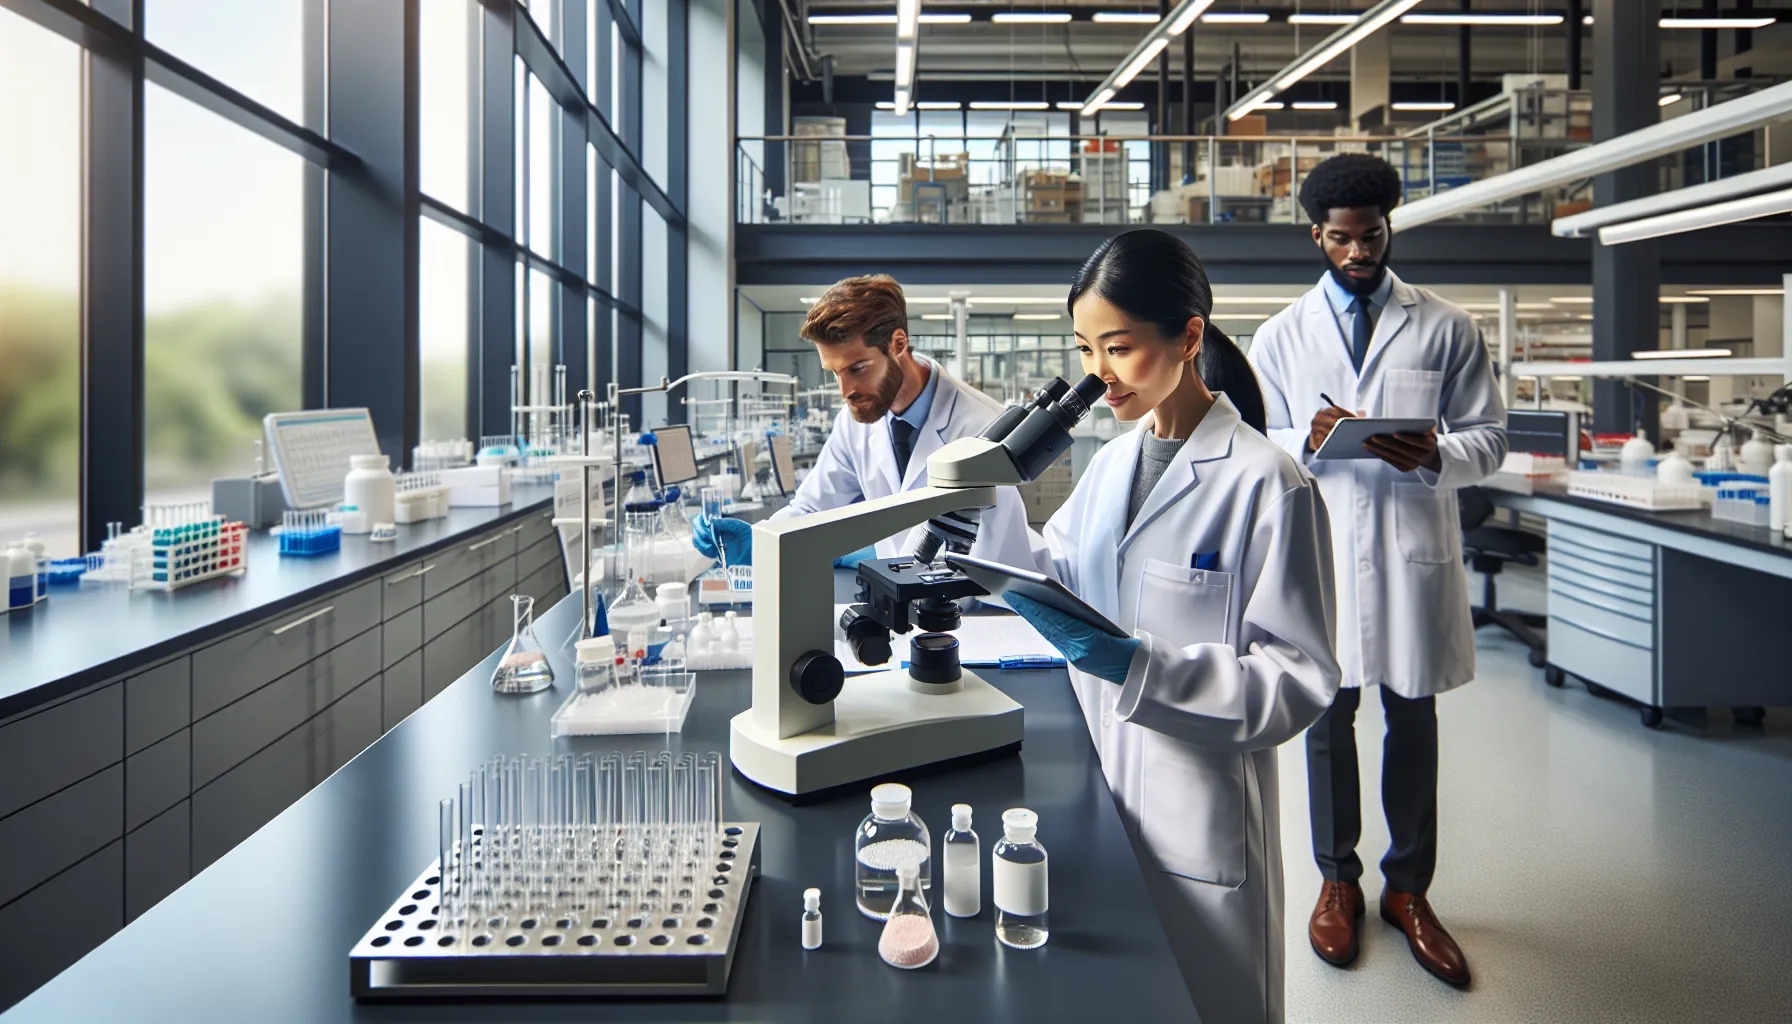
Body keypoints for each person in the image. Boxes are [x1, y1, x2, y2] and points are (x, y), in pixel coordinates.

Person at [1002, 229, 1341, 1024]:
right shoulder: (1112, 463)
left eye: (1118, 348)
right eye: (1085, 349)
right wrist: (996, 552)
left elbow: (1299, 678)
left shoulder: (1269, 483)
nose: (1098, 375)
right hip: (1099, 793)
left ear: (1188, 336)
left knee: (1212, 1002)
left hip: (1199, 814)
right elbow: (1061, 567)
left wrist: (1140, 669)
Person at [1248, 153, 1508, 989]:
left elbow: (1490, 438)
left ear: (1389, 227)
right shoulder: (1281, 335)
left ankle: (1409, 890)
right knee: (1327, 724)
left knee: (1412, 721)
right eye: (1343, 239)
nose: (1359, 252)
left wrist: (1435, 450)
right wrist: (1309, 440)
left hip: (1408, 553)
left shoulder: (1447, 326)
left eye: (1372, 236)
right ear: (1315, 235)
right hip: (1322, 550)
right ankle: (1337, 879)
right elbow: (1258, 443)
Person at [692, 274, 1033, 570]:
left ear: (898, 344)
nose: (846, 391)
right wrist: (756, 541)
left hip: (970, 619)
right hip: (894, 602)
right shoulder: (853, 422)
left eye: (857, 368)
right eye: (835, 373)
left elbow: (1003, 559)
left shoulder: (982, 425)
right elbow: (813, 507)